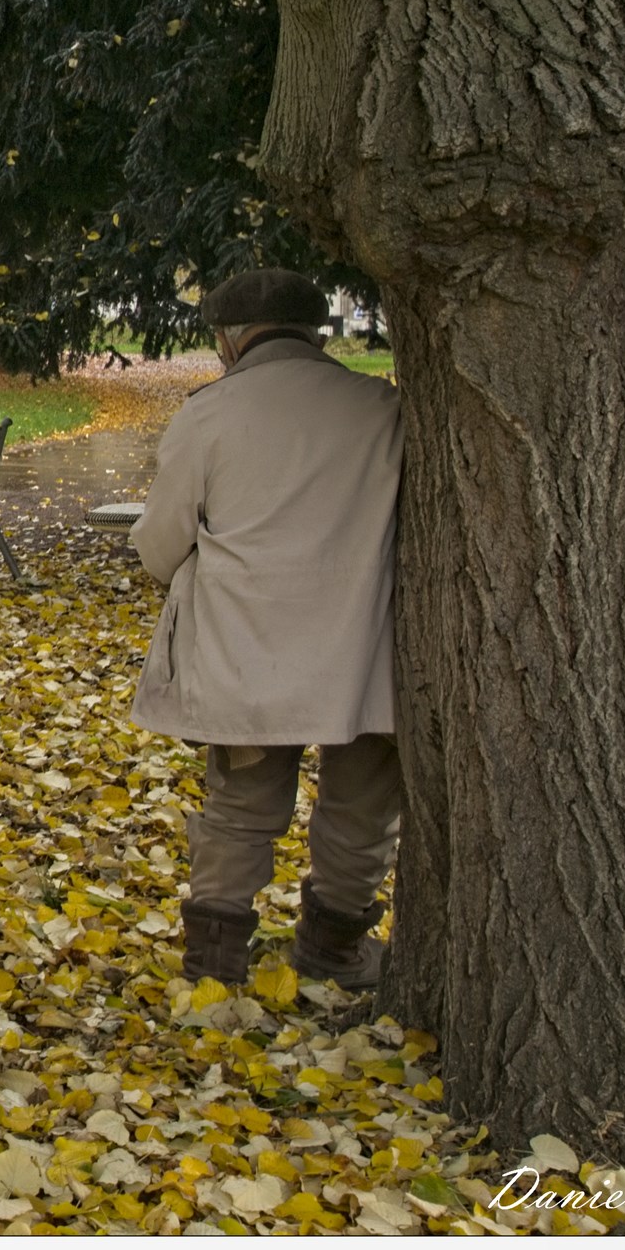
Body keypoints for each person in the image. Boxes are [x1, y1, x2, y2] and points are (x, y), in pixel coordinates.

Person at [129, 267, 402, 992]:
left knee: (242, 804)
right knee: (362, 807)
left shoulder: (211, 414)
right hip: (365, 646)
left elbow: (159, 546)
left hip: (246, 649)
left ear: (228, 338)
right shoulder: (381, 406)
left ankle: (215, 960)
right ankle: (334, 948)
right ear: (317, 331)